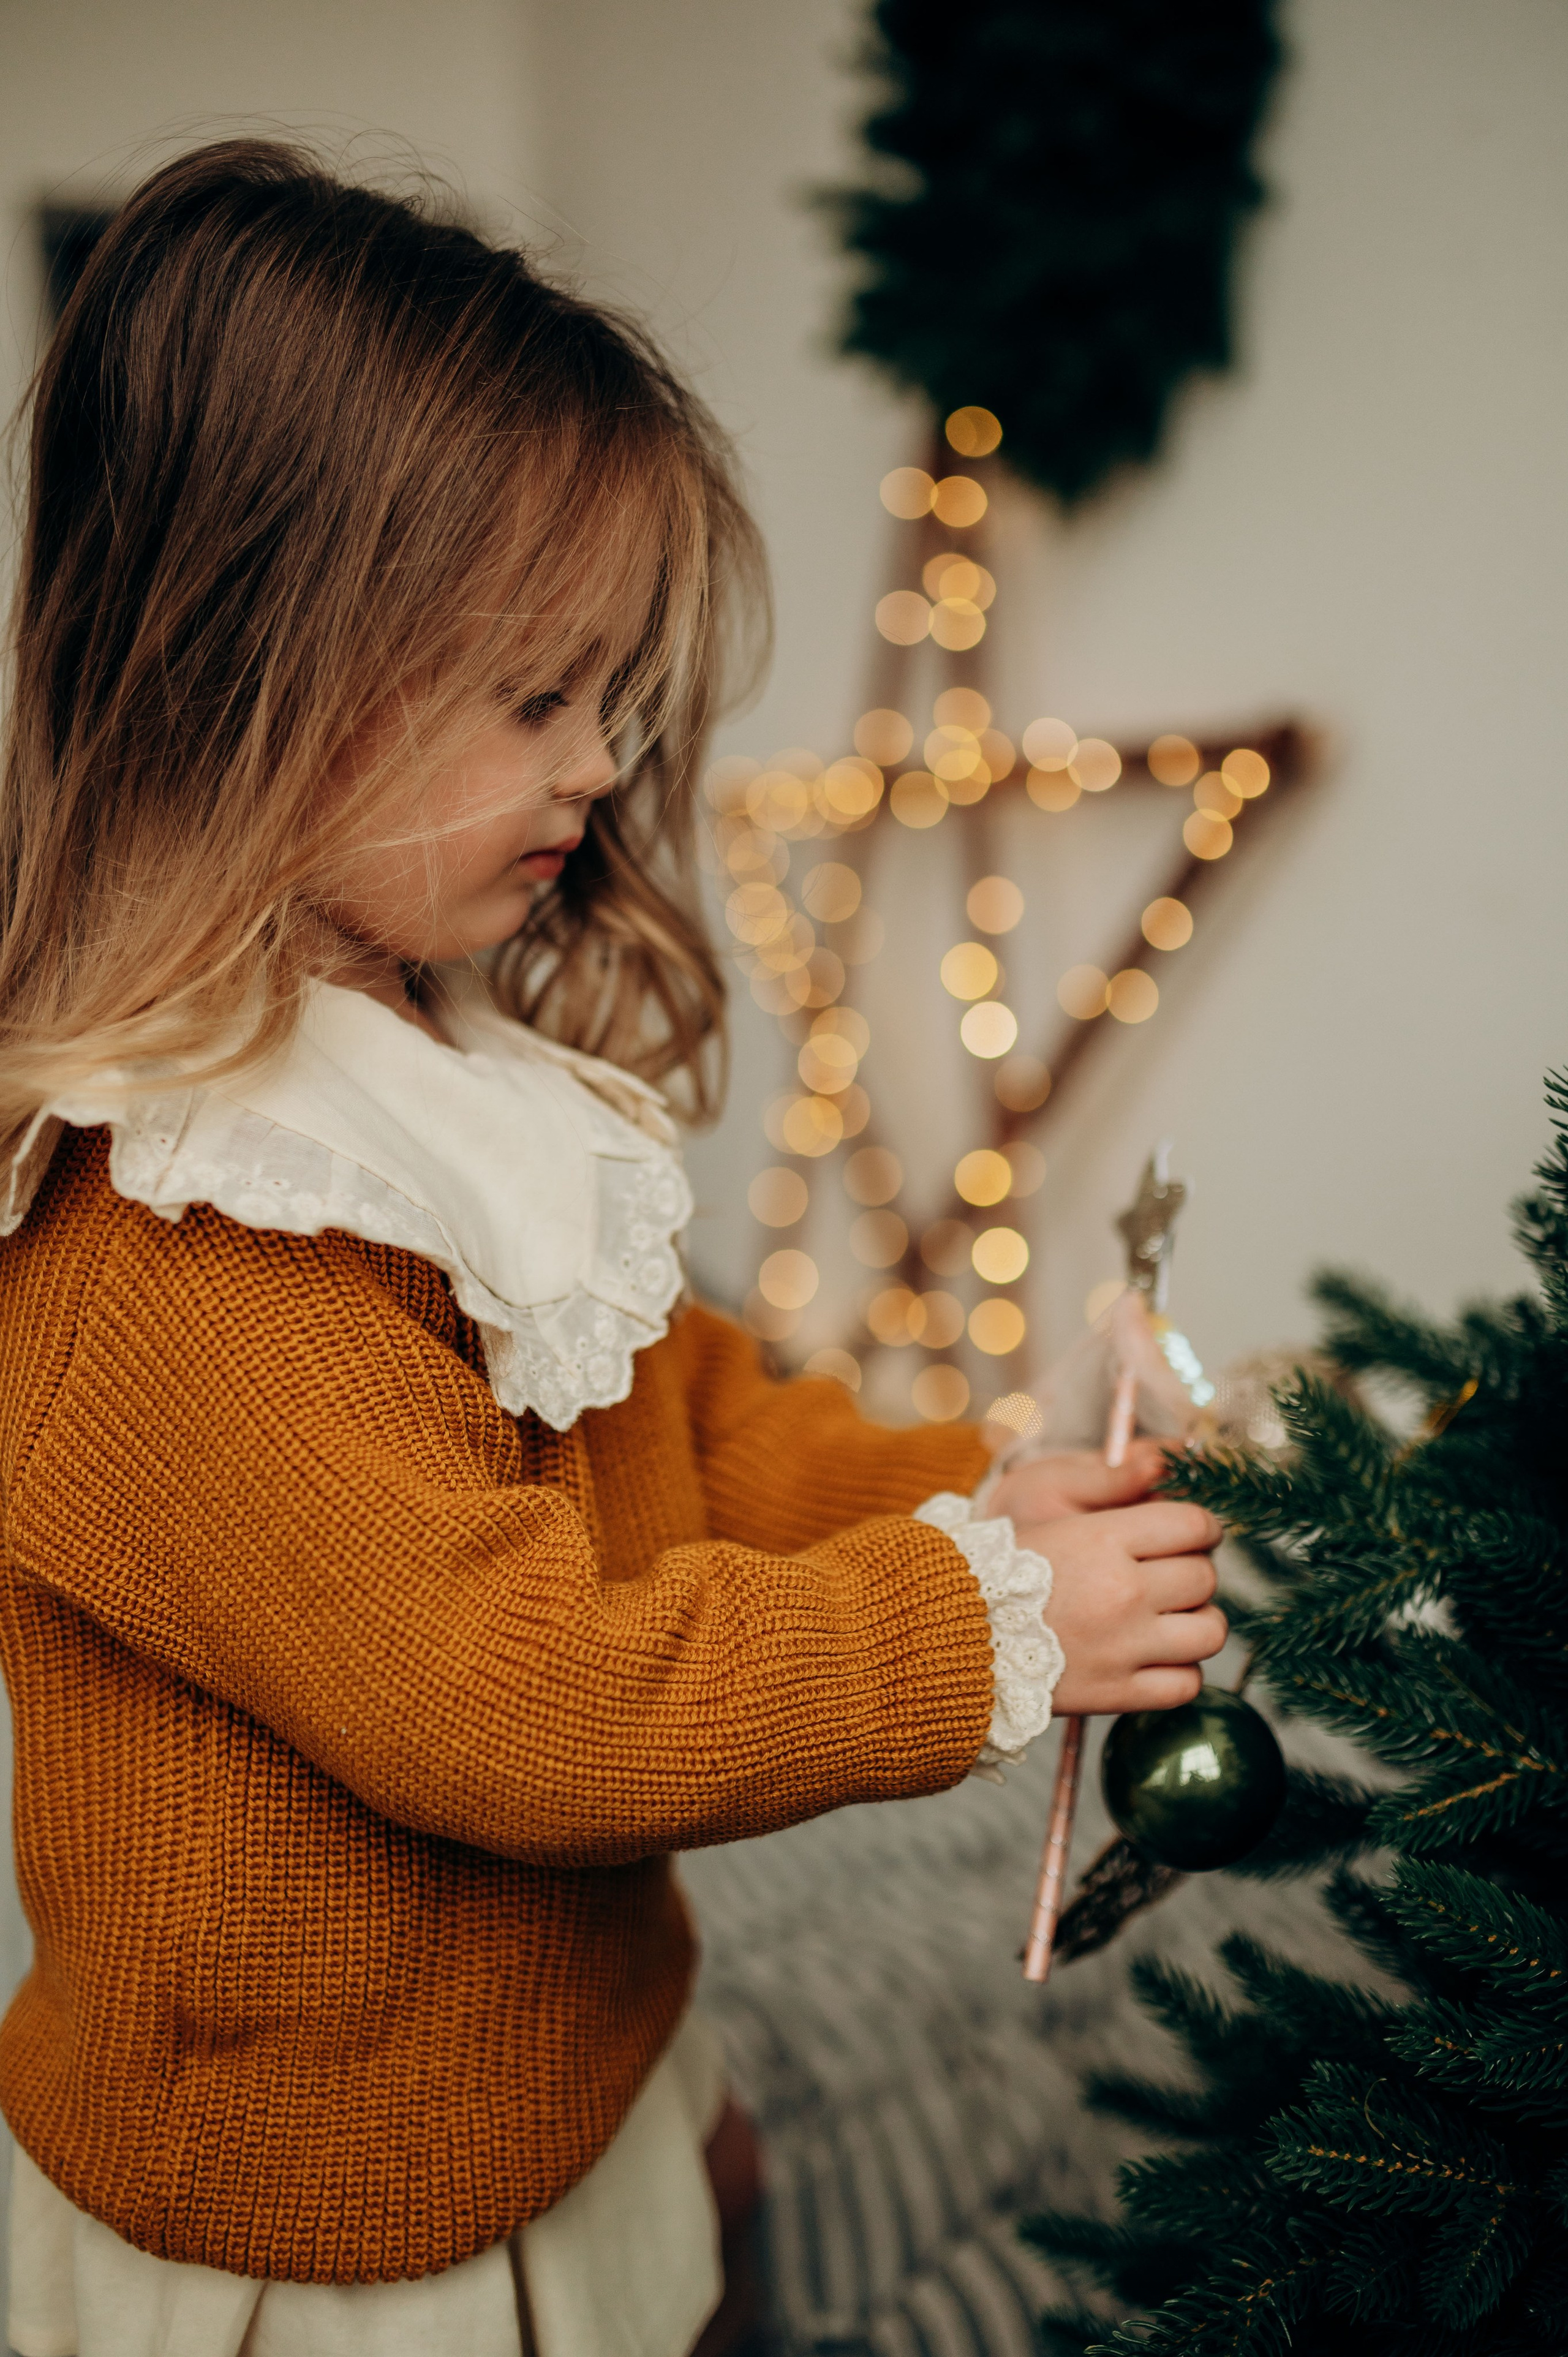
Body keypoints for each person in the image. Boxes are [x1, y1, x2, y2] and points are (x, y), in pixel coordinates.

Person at [0, 140, 1227, 2357]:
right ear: (259, 664)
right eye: (536, 698)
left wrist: (991, 1489)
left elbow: (703, 1425)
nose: (602, 763)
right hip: (335, 2244)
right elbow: (526, 1707)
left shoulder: (442, 1076)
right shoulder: (186, 1244)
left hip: (572, 2067)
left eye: (614, 699)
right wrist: (973, 1628)